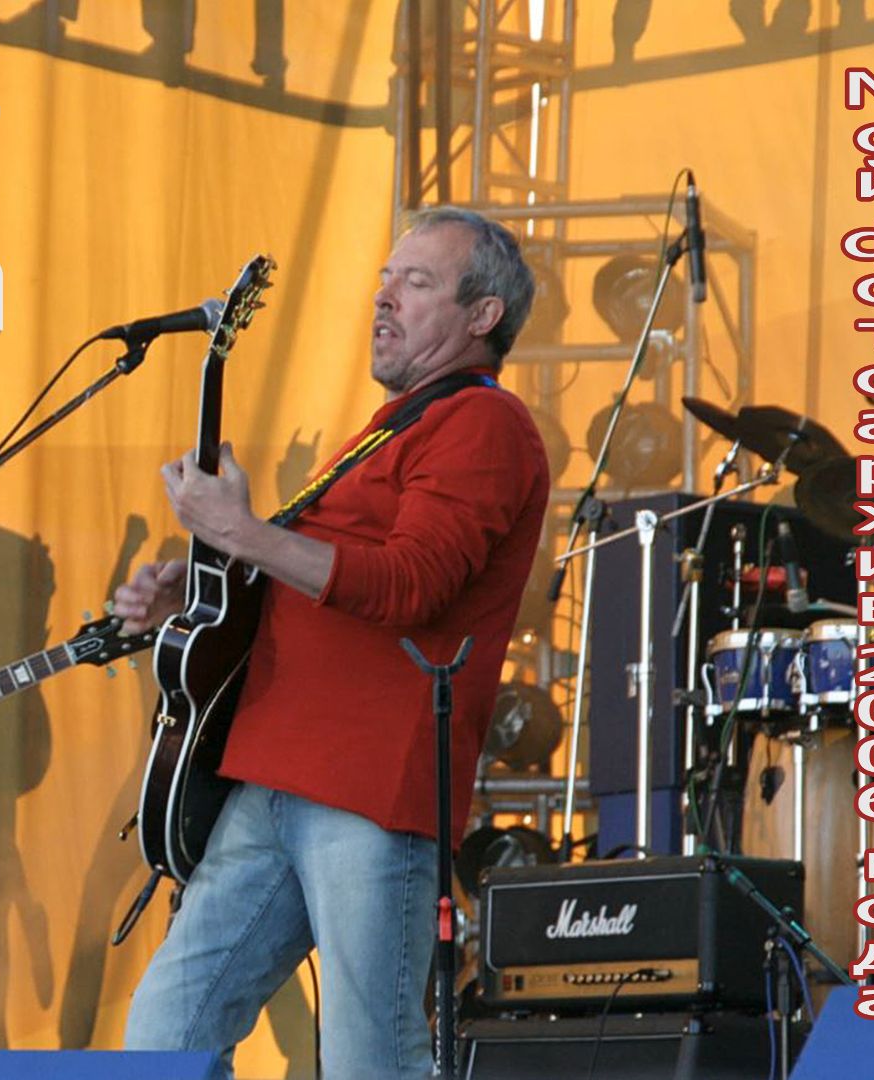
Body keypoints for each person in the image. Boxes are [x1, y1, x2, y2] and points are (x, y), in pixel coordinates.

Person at [114, 207, 552, 1078]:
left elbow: (409, 584)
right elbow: (319, 587)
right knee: (166, 1035)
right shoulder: (392, 429)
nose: (383, 298)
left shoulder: (484, 424)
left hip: (370, 790)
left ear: (483, 315)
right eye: (385, 279)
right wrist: (197, 596)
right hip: (274, 774)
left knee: (370, 1061)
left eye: (416, 282)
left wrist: (240, 532)